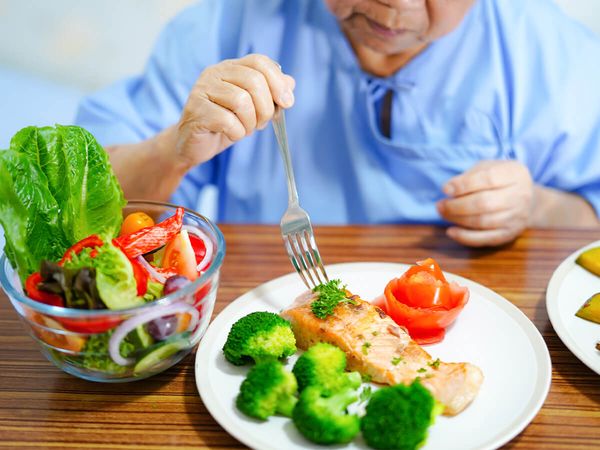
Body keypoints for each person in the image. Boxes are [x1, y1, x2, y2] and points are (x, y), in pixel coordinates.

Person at [76, 0, 600, 247]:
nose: (393, 5)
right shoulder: (227, 23)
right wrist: (174, 149)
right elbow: (82, 207)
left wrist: (537, 206)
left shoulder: (555, 55)